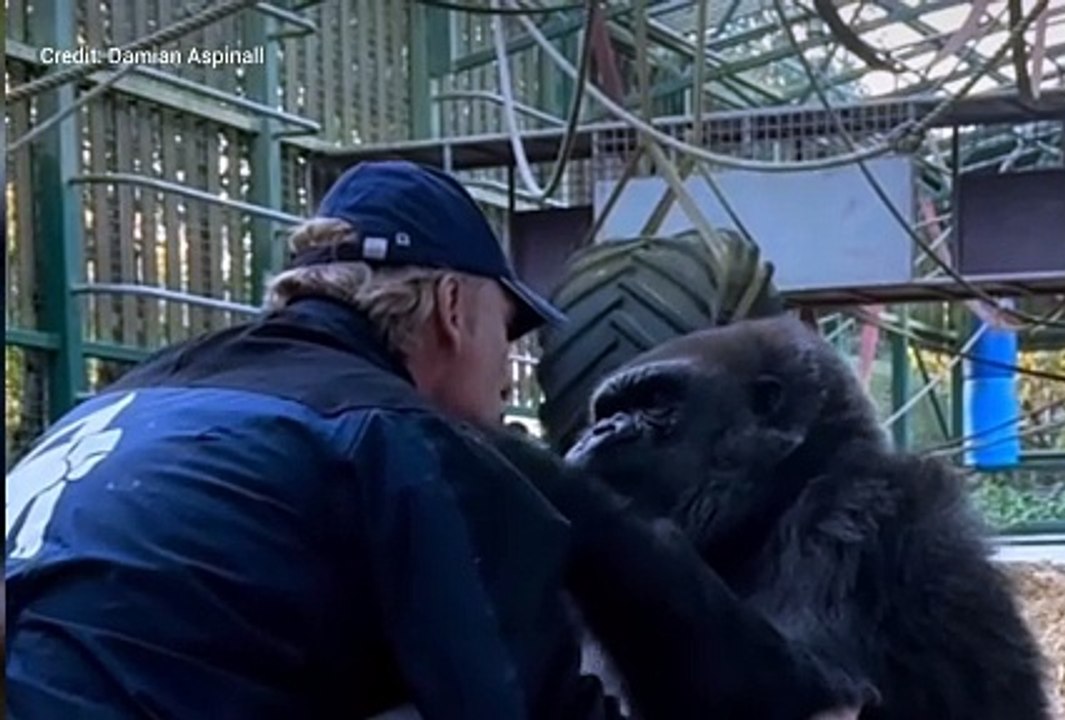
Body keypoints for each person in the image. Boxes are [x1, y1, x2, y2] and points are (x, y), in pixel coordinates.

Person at [5, 161, 853, 720]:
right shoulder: (403, 441)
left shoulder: (121, 405)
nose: (512, 375)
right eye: (507, 331)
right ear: (452, 308)